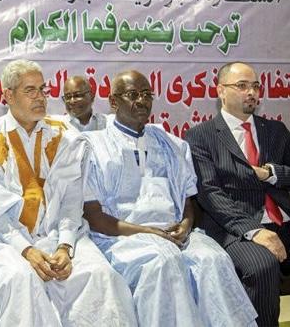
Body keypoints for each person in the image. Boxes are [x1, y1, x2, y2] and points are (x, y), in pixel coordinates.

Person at [82, 69, 257, 326]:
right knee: (163, 261)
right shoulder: (92, 146)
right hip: (121, 238)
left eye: (146, 94)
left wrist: (186, 225)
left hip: (174, 234)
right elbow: (95, 217)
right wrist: (149, 232)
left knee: (212, 259)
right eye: (133, 94)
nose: (142, 101)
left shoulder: (171, 144)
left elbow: (187, 201)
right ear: (113, 102)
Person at [0, 59, 137, 326]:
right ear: (8, 95)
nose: (40, 97)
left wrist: (65, 247)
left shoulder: (64, 136)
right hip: (6, 240)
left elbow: (72, 201)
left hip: (59, 235)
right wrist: (26, 250)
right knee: (21, 280)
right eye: (30, 90)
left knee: (100, 275)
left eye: (43, 89)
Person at [185, 61, 290, 326]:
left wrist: (271, 173)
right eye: (242, 86)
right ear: (220, 91)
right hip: (238, 233)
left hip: (287, 230)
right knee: (263, 267)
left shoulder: (275, 131)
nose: (251, 92)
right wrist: (254, 231)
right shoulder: (201, 136)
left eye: (255, 86)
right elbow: (210, 194)